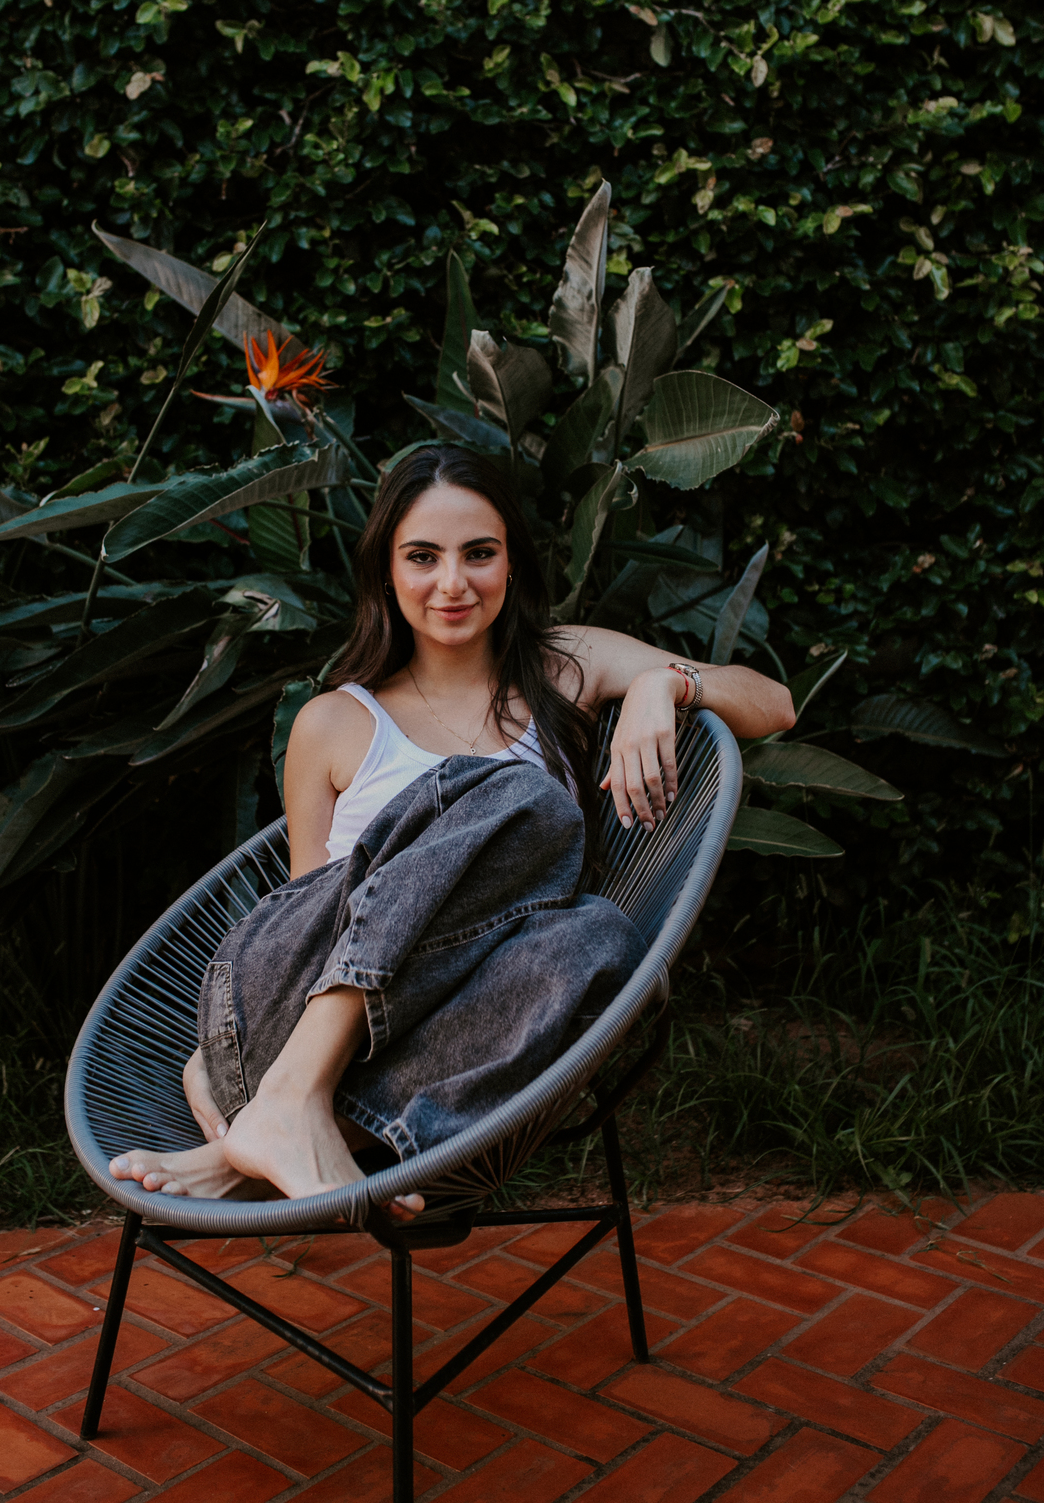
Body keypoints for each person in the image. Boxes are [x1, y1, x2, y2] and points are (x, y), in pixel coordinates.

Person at [110, 445, 794, 1213]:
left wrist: (664, 685)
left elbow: (774, 703)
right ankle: (287, 1093)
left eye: (479, 553)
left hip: (434, 1045)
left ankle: (280, 1140)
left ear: (512, 562)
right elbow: (308, 911)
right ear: (386, 571)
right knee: (523, 796)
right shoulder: (333, 722)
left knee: (601, 935)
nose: (452, 582)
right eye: (422, 557)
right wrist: (223, 1054)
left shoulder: (566, 666)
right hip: (284, 1011)